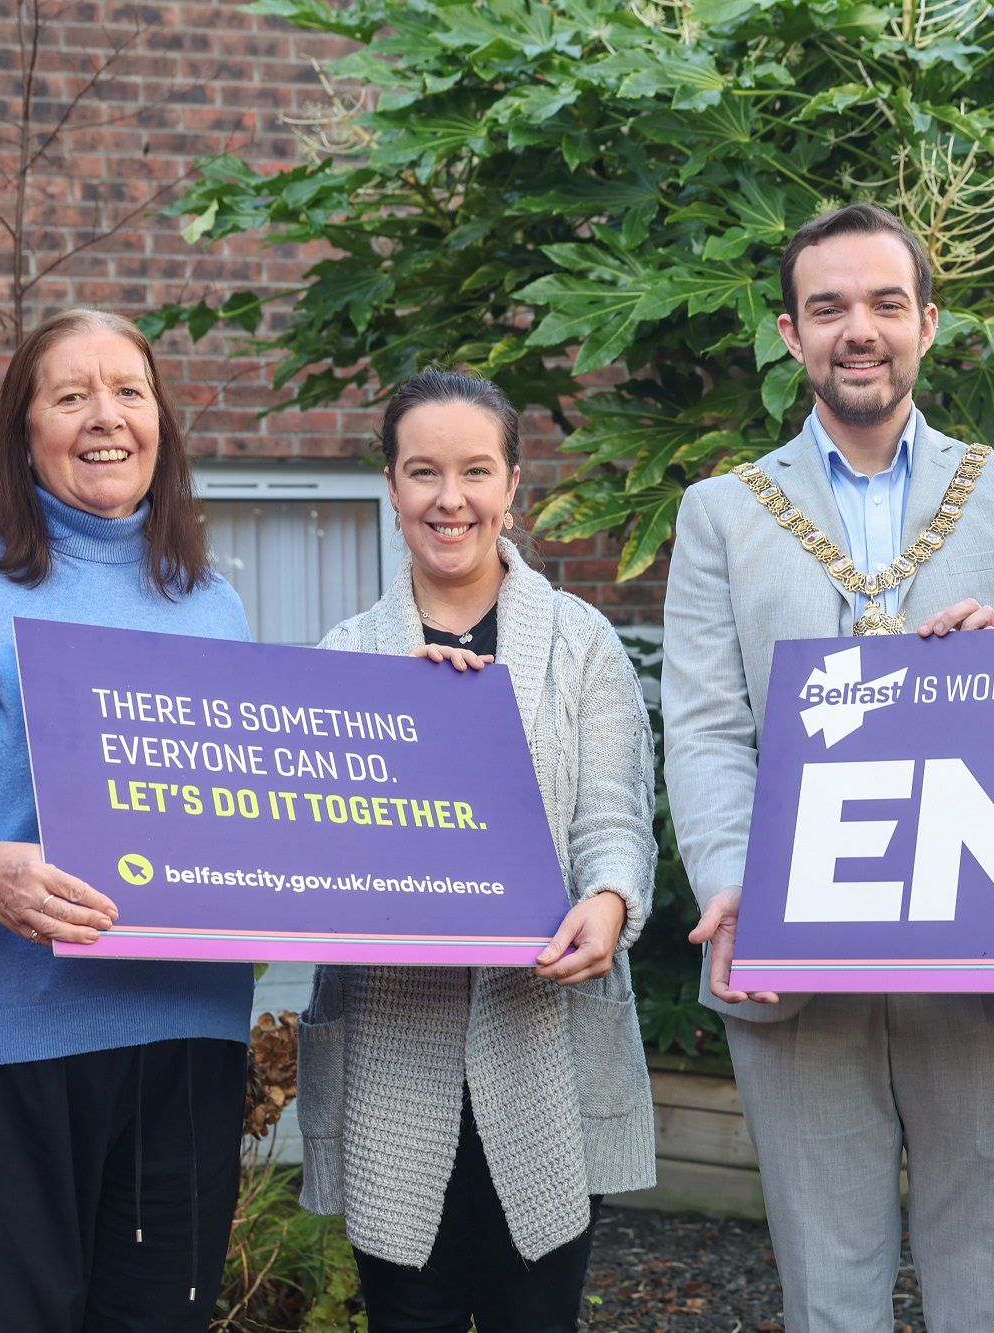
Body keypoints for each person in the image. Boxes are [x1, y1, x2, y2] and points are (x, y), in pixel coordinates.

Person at [660, 203, 994, 1333]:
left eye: (883, 304)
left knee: (984, 1277)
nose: (858, 329)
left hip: (987, 935)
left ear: (928, 323)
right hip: (790, 937)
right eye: (828, 308)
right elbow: (707, 726)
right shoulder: (719, 513)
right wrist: (727, 881)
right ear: (788, 334)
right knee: (826, 1284)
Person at [0, 308, 256, 1330]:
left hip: (182, 1049)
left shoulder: (213, 605)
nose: (104, 417)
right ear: (24, 430)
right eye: (71, 395)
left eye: (129, 391)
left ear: (162, 421)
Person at [294, 369, 657, 1333]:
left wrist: (611, 904)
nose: (449, 498)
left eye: (475, 471)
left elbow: (615, 819)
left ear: (513, 485)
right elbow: (309, 853)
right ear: (391, 486)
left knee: (537, 1316)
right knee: (405, 1316)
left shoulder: (583, 646)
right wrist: (396, 720)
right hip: (391, 1056)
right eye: (423, 472)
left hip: (543, 1042)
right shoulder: (339, 661)